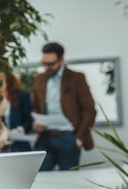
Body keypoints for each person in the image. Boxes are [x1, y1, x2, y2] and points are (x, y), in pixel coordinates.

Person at [32, 42, 96, 171]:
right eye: (44, 63)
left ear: (61, 60)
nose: (46, 67)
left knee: (70, 182)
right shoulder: (39, 79)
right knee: (40, 180)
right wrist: (36, 122)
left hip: (68, 137)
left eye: (50, 64)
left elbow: (90, 111)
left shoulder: (76, 78)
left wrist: (79, 138)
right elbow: (35, 107)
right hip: (45, 137)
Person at [0, 71, 33, 153]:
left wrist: (18, 131)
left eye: (2, 76)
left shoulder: (22, 96)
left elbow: (28, 121)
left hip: (19, 146)